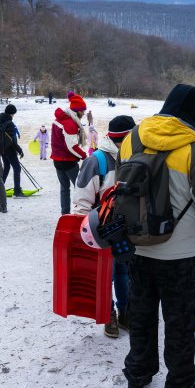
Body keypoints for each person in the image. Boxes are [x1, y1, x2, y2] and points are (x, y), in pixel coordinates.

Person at [121, 84, 195, 388]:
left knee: (140, 315)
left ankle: (137, 377)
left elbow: (122, 187)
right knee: (180, 321)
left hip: (137, 248)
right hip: (178, 254)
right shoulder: (194, 150)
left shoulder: (132, 138)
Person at [72, 115, 137, 338]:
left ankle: (125, 311)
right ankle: (108, 312)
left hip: (126, 229)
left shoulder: (135, 158)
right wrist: (84, 227)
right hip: (102, 230)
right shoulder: (97, 161)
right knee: (104, 274)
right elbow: (82, 198)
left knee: (124, 271)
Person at [50, 92, 89, 215]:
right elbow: (71, 146)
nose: (83, 113)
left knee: (64, 188)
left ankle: (65, 214)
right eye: (82, 110)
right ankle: (80, 213)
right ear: (76, 111)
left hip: (57, 160)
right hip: (67, 161)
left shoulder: (61, 119)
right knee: (80, 189)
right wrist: (84, 156)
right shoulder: (70, 124)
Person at [0, 104, 26, 197]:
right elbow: (12, 141)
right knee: (17, 168)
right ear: (12, 113)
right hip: (10, 150)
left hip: (2, 149)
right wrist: (20, 150)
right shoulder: (9, 123)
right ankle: (17, 191)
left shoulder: (0, 121)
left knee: (6, 167)